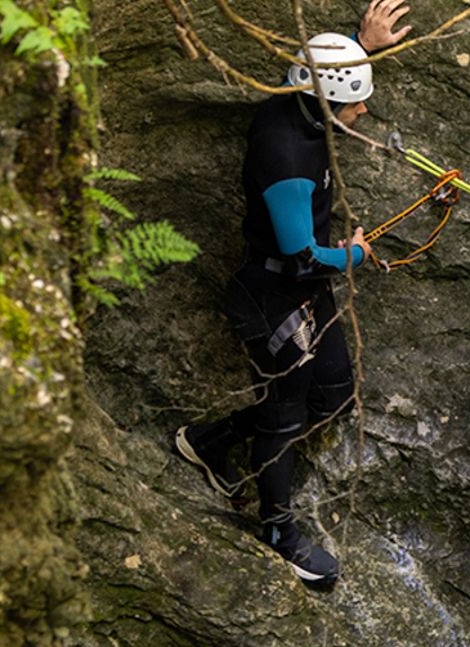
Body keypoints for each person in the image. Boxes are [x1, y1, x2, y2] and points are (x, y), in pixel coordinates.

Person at [173, 2, 413, 588]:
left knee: (333, 395)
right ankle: (278, 530)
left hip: (303, 289)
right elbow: (302, 255)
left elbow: (322, 84)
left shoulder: (298, 102)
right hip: (276, 293)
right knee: (283, 417)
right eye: (354, 104)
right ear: (326, 103)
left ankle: (210, 441)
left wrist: (359, 46)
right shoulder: (287, 159)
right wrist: (355, 255)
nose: (362, 112)